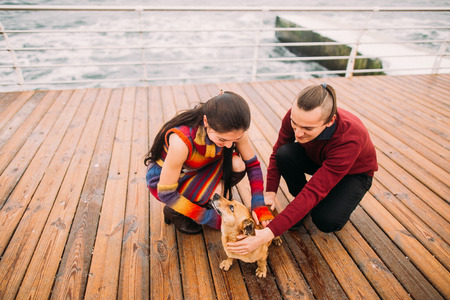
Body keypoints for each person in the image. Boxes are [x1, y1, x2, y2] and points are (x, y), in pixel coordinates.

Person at [226, 83, 378, 254]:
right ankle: (300, 208)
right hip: (321, 160)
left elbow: (314, 190)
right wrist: (270, 192)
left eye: (308, 128)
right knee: (285, 153)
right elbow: (277, 153)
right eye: (295, 124)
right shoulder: (295, 117)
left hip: (354, 174)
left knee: (325, 220)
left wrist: (267, 234)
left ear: (330, 121)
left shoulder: (349, 138)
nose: (298, 133)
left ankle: (313, 206)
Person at [145, 90, 274, 235]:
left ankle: (202, 198)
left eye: (235, 140)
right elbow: (166, 193)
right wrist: (208, 217)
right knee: (214, 194)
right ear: (206, 122)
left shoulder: (235, 132)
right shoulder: (181, 142)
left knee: (238, 164)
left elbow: (253, 165)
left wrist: (258, 204)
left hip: (200, 166)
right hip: (167, 181)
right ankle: (174, 211)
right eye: (222, 140)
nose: (229, 146)